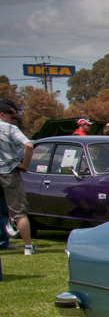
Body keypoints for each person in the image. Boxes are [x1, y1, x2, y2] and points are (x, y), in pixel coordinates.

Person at [0, 99, 36, 254]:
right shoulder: (10, 129)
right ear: (2, 114)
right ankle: (28, 247)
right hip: (9, 172)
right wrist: (25, 164)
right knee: (18, 212)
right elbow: (28, 145)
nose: (12, 120)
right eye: (10, 117)